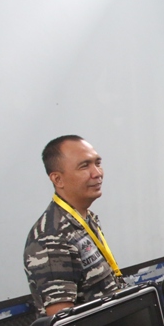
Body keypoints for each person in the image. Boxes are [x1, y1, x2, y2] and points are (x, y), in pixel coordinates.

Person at [24, 135, 125, 316]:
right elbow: (65, 324)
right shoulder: (52, 237)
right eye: (84, 166)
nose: (97, 173)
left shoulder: (84, 218)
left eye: (98, 163)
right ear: (57, 179)